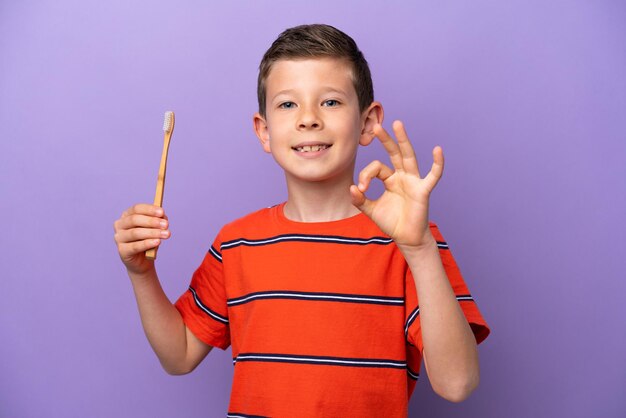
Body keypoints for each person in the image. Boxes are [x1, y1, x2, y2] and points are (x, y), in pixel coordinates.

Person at [113, 24, 490, 417]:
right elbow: (180, 355)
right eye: (288, 104)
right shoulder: (237, 244)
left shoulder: (412, 241)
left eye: (330, 102)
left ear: (367, 122)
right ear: (264, 130)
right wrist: (141, 275)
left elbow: (457, 383)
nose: (308, 119)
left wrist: (419, 249)